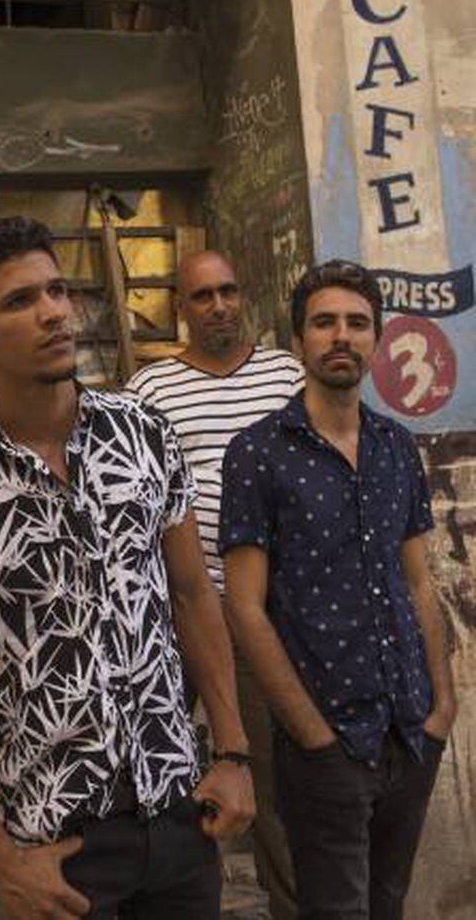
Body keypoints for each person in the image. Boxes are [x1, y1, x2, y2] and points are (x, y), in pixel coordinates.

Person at [0, 216, 256, 920]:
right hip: (56, 843)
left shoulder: (144, 433)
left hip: (179, 812)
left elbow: (191, 595)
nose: (54, 312)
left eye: (57, 290)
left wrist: (234, 754)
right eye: (20, 300)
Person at [220, 260, 456, 920]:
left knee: (388, 904)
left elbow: (418, 581)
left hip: (409, 732)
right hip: (326, 743)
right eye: (324, 323)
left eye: (357, 323)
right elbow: (244, 607)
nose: (341, 336)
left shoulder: (395, 446)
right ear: (299, 340)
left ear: (377, 339)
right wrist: (311, 733)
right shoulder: (258, 453)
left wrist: (443, 703)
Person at [126, 249, 303, 920]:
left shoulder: (287, 375)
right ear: (181, 307)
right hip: (178, 615)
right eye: (202, 296)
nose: (219, 306)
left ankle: (289, 906)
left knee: (274, 780)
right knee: (163, 769)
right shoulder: (150, 390)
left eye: (227, 291)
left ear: (243, 296)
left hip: (268, 614)